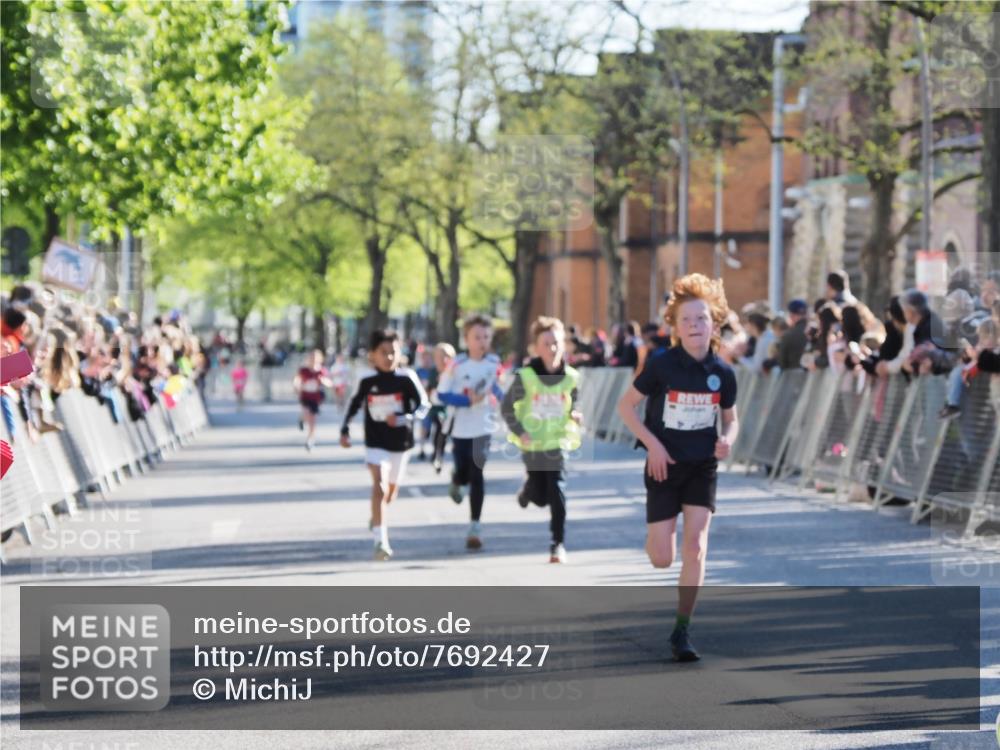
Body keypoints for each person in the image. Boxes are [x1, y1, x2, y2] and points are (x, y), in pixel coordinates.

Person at [616, 273, 739, 662]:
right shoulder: (661, 365)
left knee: (696, 546)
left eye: (701, 318)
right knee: (662, 558)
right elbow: (626, 407)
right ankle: (654, 539)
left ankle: (682, 631)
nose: (694, 326)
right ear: (675, 327)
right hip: (664, 465)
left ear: (714, 324)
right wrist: (652, 444)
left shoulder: (724, 373)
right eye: (685, 320)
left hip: (702, 465)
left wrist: (728, 440)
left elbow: (731, 418)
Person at [340, 329, 429, 561]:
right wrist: (345, 429)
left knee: (389, 494)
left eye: (393, 352)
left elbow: (423, 405)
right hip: (375, 441)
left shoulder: (406, 378)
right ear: (372, 355)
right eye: (383, 353)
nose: (388, 357)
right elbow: (354, 405)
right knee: (378, 487)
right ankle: (381, 541)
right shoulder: (367, 380)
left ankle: (376, 515)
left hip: (400, 443)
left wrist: (404, 418)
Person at [502, 316, 582, 564]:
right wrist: (519, 431)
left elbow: (572, 404)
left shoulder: (571, 377)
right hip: (532, 442)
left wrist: (574, 415)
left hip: (558, 442)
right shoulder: (526, 376)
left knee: (557, 489)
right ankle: (527, 491)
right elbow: (507, 408)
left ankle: (557, 544)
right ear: (536, 347)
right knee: (540, 496)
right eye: (546, 343)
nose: (552, 348)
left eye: (556, 342)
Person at [436, 315, 504, 550]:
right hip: (460, 428)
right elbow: (442, 394)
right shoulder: (456, 365)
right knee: (464, 473)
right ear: (466, 339)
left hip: (483, 427)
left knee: (478, 474)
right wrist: (467, 400)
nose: (482, 341)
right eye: (477, 337)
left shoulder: (494, 363)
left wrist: (508, 403)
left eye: (486, 337)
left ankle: (475, 525)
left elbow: (496, 387)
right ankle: (456, 479)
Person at [293, 349, 332, 451]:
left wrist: (324, 381)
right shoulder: (304, 370)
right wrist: (296, 386)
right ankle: (302, 419)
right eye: (312, 357)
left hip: (315, 398)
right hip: (305, 396)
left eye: (315, 358)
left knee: (312, 420)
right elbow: (297, 379)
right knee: (306, 412)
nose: (313, 359)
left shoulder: (321, 371)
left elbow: (329, 382)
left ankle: (310, 439)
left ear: (319, 359)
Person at [776, 299, 809, 371]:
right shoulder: (815, 331)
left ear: (792, 315)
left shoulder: (788, 335)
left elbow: (782, 363)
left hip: (792, 379)